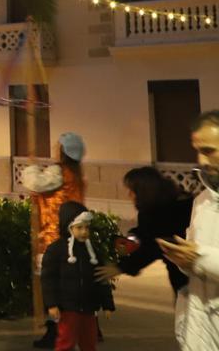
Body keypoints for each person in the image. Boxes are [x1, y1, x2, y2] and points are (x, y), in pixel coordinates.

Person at [160, 110, 219, 349]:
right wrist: (183, 260)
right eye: (197, 150)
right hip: (201, 331)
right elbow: (194, 263)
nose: (201, 160)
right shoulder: (202, 201)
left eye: (208, 150)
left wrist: (199, 257)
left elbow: (201, 257)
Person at [22, 132, 87, 348]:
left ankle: (56, 332)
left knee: (53, 287)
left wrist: (31, 166)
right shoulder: (77, 175)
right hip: (71, 238)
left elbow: (34, 183)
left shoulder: (59, 172)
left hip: (53, 237)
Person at [94, 166, 191, 298]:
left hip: (186, 273)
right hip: (184, 270)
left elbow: (152, 247)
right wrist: (125, 241)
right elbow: (145, 234)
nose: (129, 195)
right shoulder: (170, 202)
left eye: (132, 191)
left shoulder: (162, 213)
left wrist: (121, 267)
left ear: (143, 191)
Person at [39, 202, 114, 351]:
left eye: (87, 227)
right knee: (66, 341)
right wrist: (52, 304)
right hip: (67, 308)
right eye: (79, 227)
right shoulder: (56, 250)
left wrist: (107, 304)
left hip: (88, 308)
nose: (84, 232)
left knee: (89, 342)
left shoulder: (93, 252)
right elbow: (48, 279)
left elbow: (101, 279)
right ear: (69, 227)